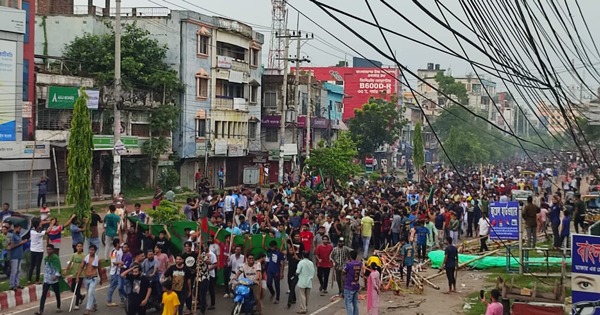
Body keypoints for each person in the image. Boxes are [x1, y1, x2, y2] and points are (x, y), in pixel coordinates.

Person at [35, 244, 62, 315]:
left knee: (57, 293)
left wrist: (56, 275)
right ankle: (41, 310)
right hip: (47, 279)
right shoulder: (46, 258)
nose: (48, 251)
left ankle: (58, 306)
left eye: (49, 249)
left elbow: (58, 267)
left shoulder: (55, 258)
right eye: (47, 249)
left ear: (53, 250)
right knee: (44, 294)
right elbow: (46, 268)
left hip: (54, 279)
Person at [77, 244, 101, 315]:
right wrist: (78, 277)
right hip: (86, 278)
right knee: (90, 293)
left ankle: (87, 309)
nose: (91, 251)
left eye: (93, 250)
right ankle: (95, 304)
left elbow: (99, 269)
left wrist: (101, 279)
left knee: (90, 292)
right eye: (90, 250)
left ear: (95, 251)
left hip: (94, 278)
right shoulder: (86, 258)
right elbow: (81, 267)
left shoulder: (97, 259)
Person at [64, 242, 86, 310]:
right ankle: (81, 297)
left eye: (80, 246)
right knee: (73, 289)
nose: (79, 247)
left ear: (82, 247)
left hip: (81, 275)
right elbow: (70, 263)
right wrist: (66, 270)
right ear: (76, 247)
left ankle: (76, 304)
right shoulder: (74, 255)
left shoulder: (84, 255)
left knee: (77, 289)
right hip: (74, 274)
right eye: (78, 246)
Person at [263, 237, 284, 304]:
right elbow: (263, 246)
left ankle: (277, 298)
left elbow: (282, 263)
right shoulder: (270, 251)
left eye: (272, 247)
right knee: (268, 283)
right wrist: (263, 238)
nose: (271, 248)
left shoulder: (279, 253)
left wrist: (281, 273)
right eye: (271, 247)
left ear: (275, 246)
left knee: (277, 285)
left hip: (276, 271)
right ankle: (272, 292)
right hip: (269, 270)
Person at [8, 223, 27, 290]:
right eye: (19, 228)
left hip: (19, 255)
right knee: (14, 270)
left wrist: (23, 242)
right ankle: (12, 285)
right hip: (14, 256)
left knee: (18, 270)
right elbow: (11, 246)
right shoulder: (12, 235)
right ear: (15, 228)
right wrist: (21, 243)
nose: (20, 229)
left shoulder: (19, 235)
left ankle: (17, 283)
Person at [107, 238, 125, 307]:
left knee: (121, 286)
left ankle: (122, 300)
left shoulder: (121, 249)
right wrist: (121, 262)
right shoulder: (113, 252)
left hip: (120, 271)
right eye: (119, 242)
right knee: (112, 287)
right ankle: (109, 300)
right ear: (117, 244)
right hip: (115, 273)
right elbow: (114, 262)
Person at [343, 251, 362, 315]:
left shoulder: (349, 264)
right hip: (356, 285)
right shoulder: (359, 263)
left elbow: (344, 271)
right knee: (355, 302)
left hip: (349, 285)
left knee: (349, 302)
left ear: (350, 257)